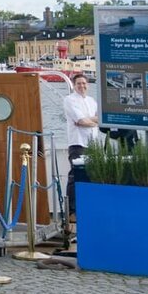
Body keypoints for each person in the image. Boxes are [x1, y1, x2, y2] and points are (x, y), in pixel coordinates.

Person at [62, 72, 99, 214]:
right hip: (78, 143)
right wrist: (89, 121)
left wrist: (88, 121)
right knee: (75, 175)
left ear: (87, 85)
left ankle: (86, 208)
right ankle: (71, 211)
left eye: (84, 83)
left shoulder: (92, 101)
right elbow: (81, 121)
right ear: (74, 85)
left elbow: (97, 119)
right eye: (78, 84)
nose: (81, 86)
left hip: (92, 144)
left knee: (90, 175)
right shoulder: (69, 100)